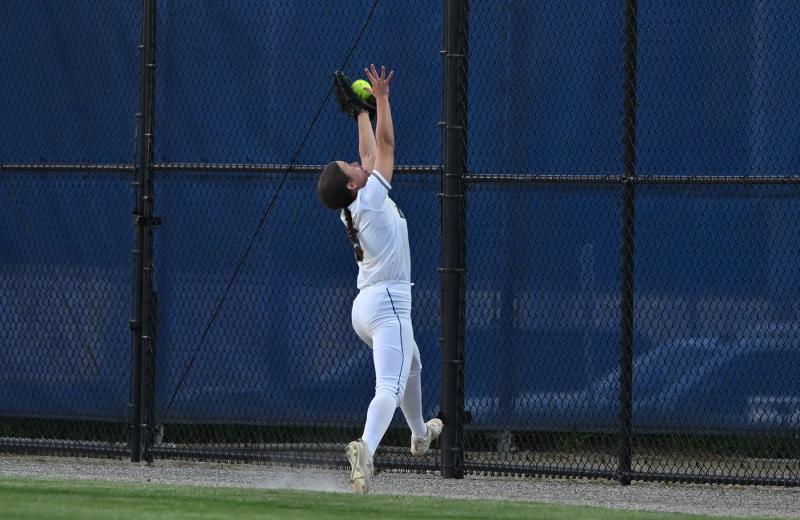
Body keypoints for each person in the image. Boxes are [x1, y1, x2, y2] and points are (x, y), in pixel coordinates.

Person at [316, 64, 442, 494]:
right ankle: (365, 450)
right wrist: (383, 100)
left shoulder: (353, 206)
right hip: (388, 305)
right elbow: (384, 149)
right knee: (389, 384)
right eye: (348, 168)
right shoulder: (368, 199)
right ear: (353, 186)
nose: (355, 163)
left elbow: (369, 157)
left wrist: (361, 113)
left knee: (413, 363)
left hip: (365, 309)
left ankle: (420, 434)